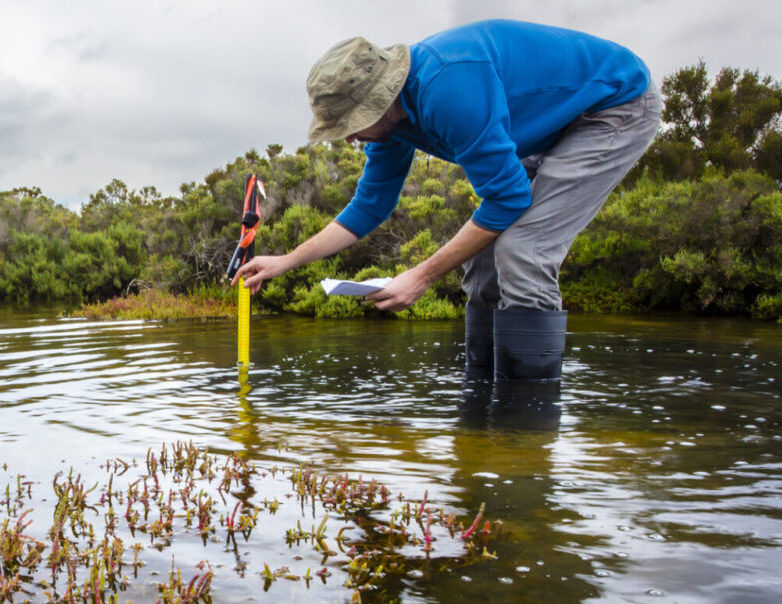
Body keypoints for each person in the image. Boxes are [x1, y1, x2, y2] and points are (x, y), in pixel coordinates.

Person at [234, 19, 661, 383]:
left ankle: (525, 426)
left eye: (355, 122)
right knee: (484, 257)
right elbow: (370, 205)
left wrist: (421, 277)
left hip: (612, 108)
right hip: (549, 126)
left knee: (521, 249)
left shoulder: (449, 89)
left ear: (383, 99)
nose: (350, 136)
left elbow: (508, 200)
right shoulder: (391, 125)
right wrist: (286, 260)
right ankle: (481, 406)